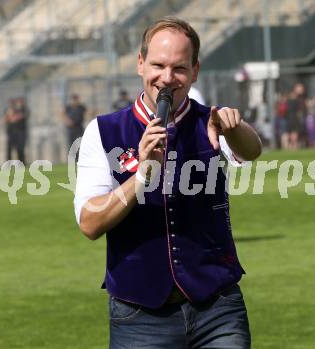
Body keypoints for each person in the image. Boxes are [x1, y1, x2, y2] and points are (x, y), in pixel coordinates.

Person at [74, 17, 262, 348]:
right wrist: (142, 174)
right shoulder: (103, 131)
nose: (167, 78)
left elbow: (251, 152)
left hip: (217, 307)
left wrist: (235, 126)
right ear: (140, 63)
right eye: (158, 65)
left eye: (178, 68)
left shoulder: (211, 122)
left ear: (195, 71)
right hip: (139, 315)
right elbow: (90, 223)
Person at [5, 99, 26, 164]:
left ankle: (22, 162)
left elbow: (19, 117)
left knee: (19, 148)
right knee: (9, 149)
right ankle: (8, 164)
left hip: (18, 132)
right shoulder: (8, 110)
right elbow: (6, 119)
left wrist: (13, 117)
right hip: (11, 132)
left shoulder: (19, 110)